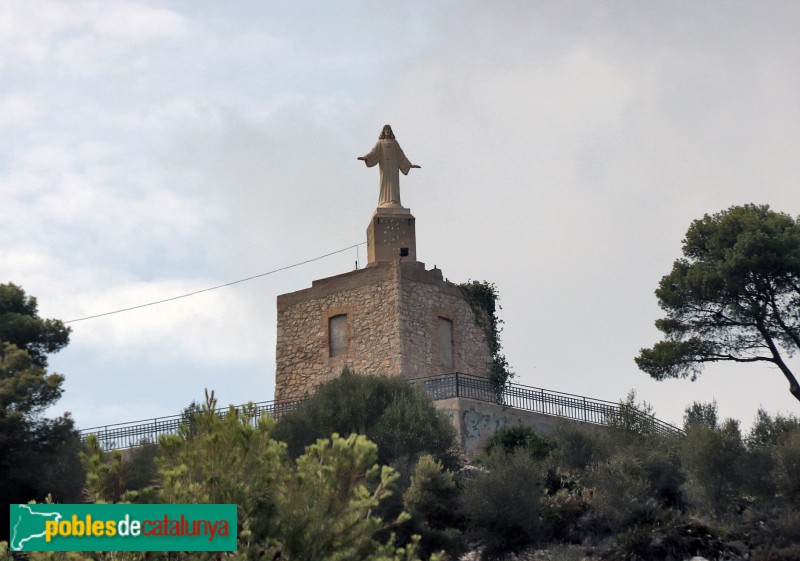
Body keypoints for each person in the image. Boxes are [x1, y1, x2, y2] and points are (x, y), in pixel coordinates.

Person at [358, 124, 420, 207]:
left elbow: (401, 155)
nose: (387, 130)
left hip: (394, 166)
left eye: (388, 129)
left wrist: (409, 165)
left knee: (393, 183)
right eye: (385, 129)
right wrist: (366, 157)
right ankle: (384, 201)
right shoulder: (380, 143)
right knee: (385, 183)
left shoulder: (394, 143)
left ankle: (394, 200)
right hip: (384, 165)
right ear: (383, 131)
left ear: (390, 131)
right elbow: (373, 152)